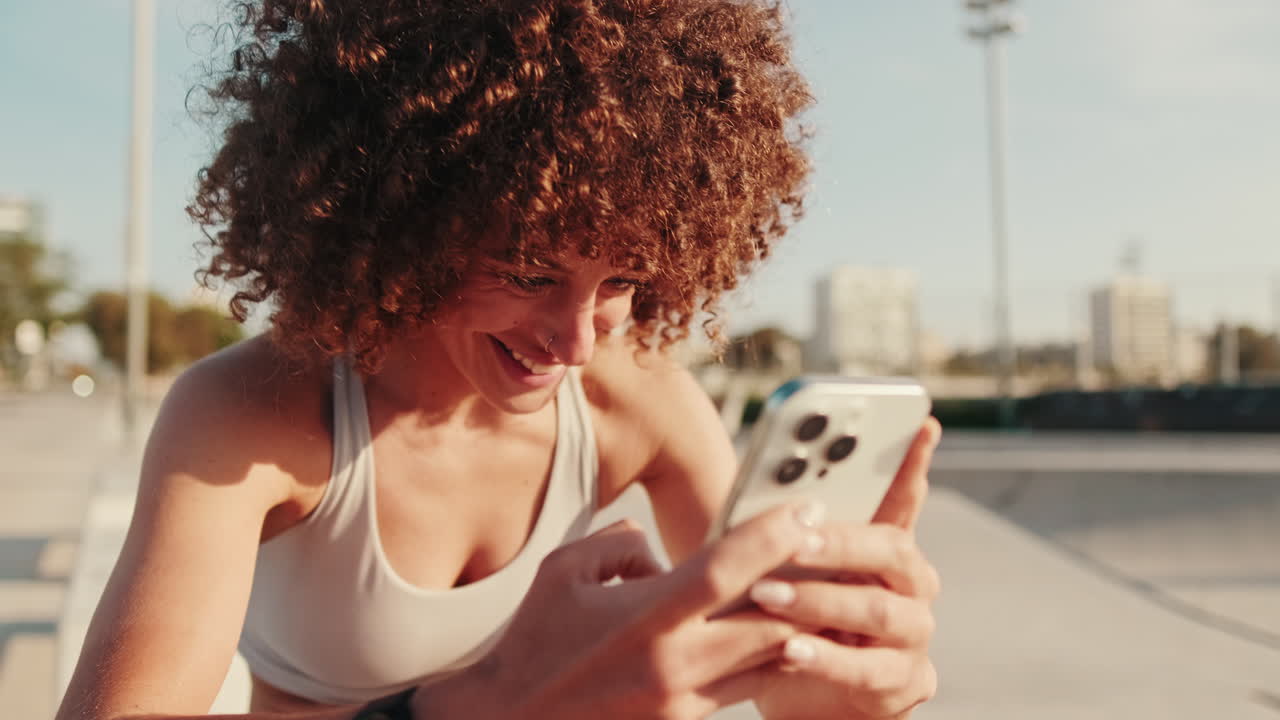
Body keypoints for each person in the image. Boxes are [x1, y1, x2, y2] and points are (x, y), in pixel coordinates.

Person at [57, 1, 942, 718]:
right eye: (529, 270)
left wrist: (831, 692)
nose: (579, 340)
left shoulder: (640, 402)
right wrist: (488, 703)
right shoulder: (251, 416)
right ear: (402, 221)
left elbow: (771, 670)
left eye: (623, 278)